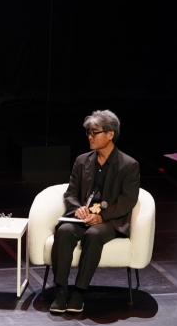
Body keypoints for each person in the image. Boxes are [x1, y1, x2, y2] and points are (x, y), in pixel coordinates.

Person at [50, 110, 140, 313]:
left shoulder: (128, 165)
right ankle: (61, 290)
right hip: (84, 217)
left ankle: (79, 293)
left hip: (111, 220)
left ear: (110, 134)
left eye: (94, 132)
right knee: (64, 231)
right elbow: (70, 193)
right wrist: (77, 208)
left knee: (94, 234)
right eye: (88, 133)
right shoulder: (83, 161)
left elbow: (128, 201)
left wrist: (102, 216)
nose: (90, 137)